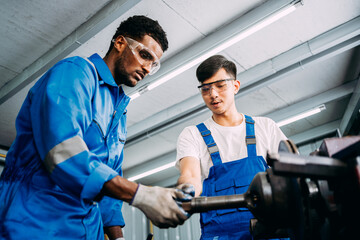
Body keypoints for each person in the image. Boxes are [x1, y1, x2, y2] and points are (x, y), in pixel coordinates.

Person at [0, 15, 192, 240]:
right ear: (120, 43)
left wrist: (118, 238)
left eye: (154, 63)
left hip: (86, 231)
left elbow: (109, 184)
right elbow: (63, 151)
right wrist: (140, 195)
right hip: (35, 223)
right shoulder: (74, 73)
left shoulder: (117, 110)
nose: (147, 68)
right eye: (144, 55)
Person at [176, 55, 288, 239]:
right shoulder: (192, 135)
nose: (213, 94)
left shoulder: (265, 127)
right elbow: (190, 176)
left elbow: (289, 175)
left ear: (235, 86)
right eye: (206, 89)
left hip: (271, 231)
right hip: (220, 234)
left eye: (220, 86)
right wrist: (183, 194)